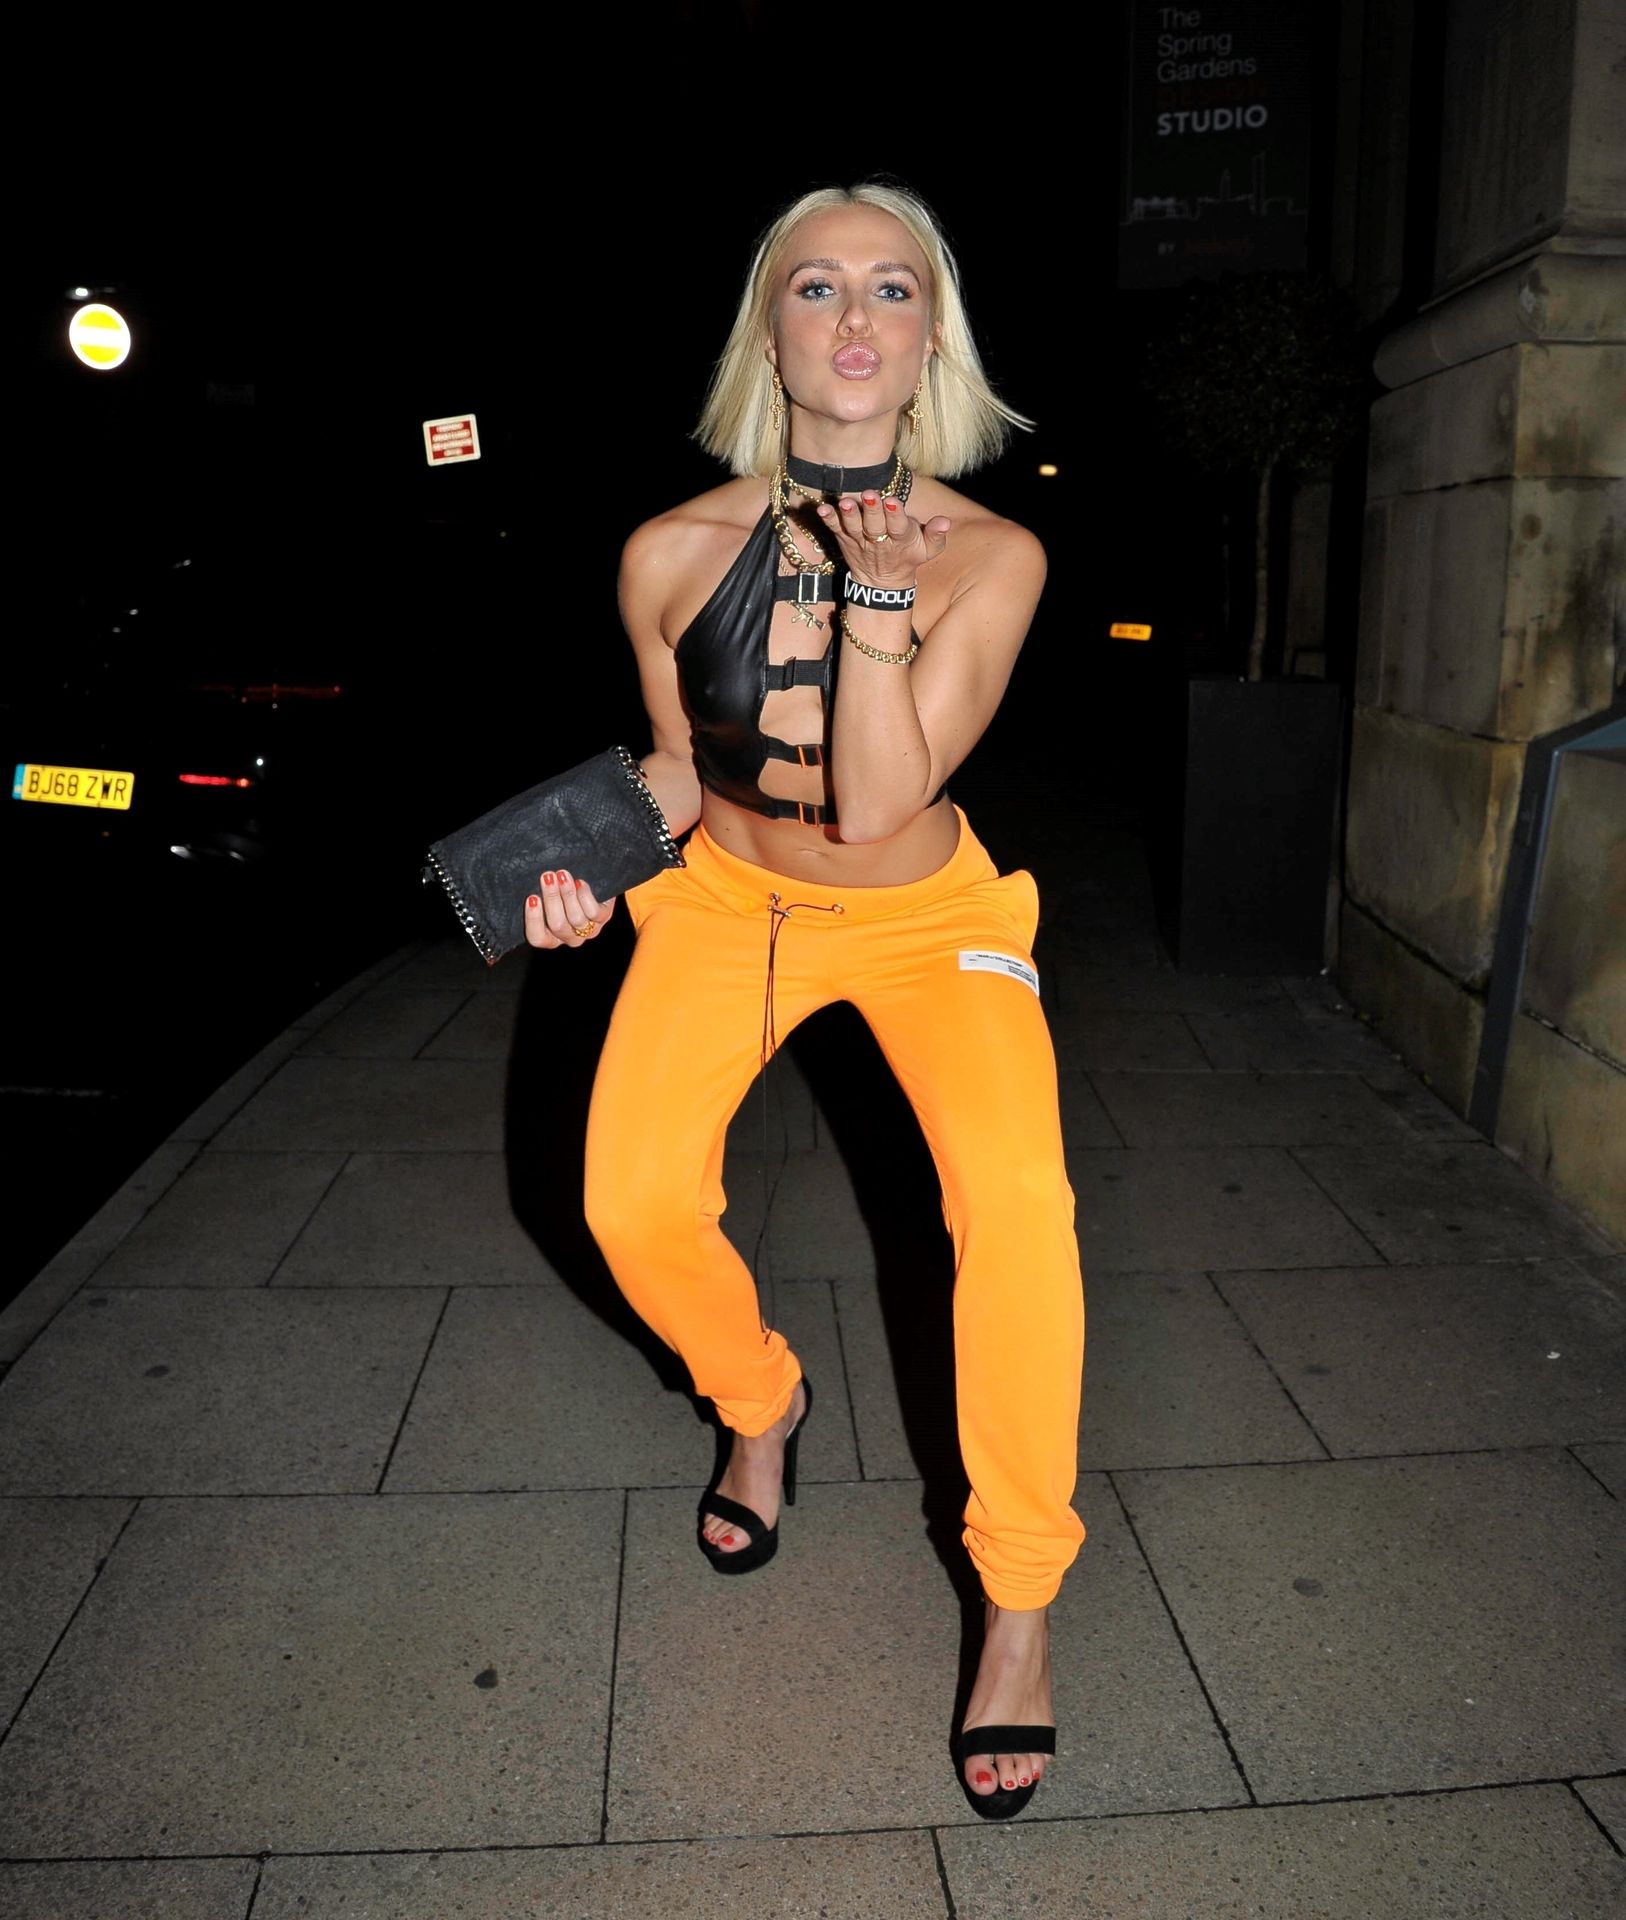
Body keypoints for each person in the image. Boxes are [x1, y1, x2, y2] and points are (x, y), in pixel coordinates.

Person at [523, 179, 1085, 1820]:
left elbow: (877, 801)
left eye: (892, 289)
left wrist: (879, 599)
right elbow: (677, 768)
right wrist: (588, 866)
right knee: (626, 1204)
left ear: (930, 342)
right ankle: (759, 1403)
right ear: (768, 336)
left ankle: (1019, 1600)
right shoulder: (666, 552)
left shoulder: (994, 556)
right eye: (816, 286)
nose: (853, 317)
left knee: (1017, 1212)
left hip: (925, 913)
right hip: (724, 901)